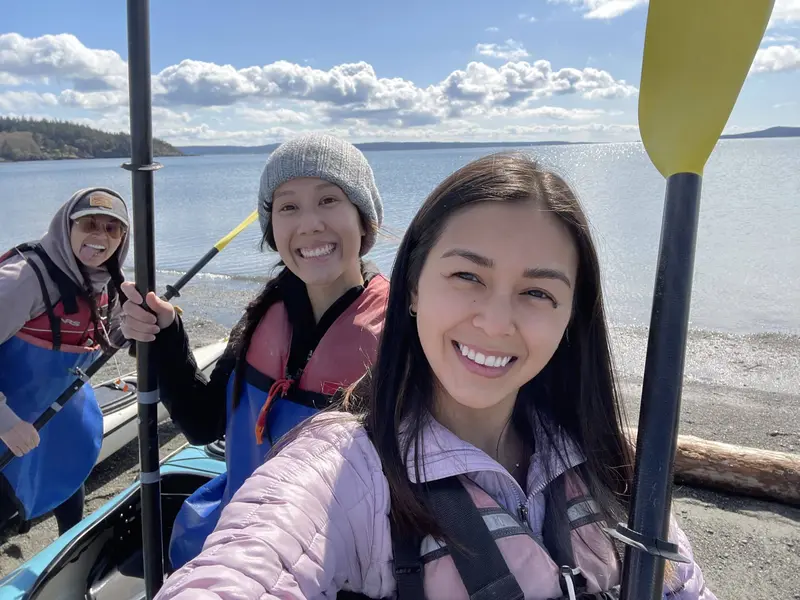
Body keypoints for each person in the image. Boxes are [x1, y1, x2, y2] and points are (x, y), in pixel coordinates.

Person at [152, 152, 715, 600]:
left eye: (538, 291)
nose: (495, 322)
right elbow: (249, 553)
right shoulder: (336, 454)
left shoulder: (608, 466)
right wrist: (166, 339)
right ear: (416, 289)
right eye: (467, 275)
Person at [119, 133, 389, 570]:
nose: (309, 224)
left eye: (328, 200)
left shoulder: (399, 335)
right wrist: (167, 335)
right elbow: (204, 424)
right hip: (237, 538)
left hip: (335, 561)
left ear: (364, 220)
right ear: (272, 229)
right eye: (287, 206)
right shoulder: (264, 313)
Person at [0, 187, 129, 536]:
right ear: (66, 226)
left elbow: (109, 332)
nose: (99, 236)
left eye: (112, 228)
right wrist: (6, 422)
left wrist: (136, 324)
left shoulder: (106, 279)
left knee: (67, 482)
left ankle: (70, 564)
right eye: (88, 223)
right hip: (10, 418)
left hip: (60, 417)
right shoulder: (22, 279)